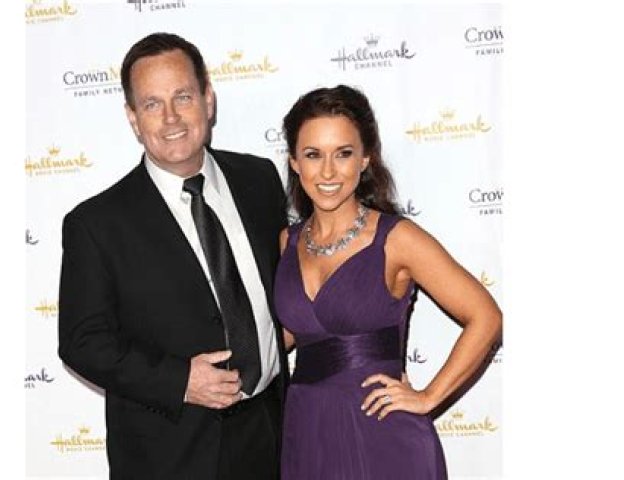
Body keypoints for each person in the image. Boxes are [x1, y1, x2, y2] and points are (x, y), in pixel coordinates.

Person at [57, 32, 289, 480]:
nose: (170, 118)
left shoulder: (259, 180)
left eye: (182, 96)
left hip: (269, 436)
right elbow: (82, 342)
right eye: (152, 104)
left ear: (208, 100)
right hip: (169, 454)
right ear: (132, 118)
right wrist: (179, 380)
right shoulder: (96, 224)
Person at [274, 85, 502, 479]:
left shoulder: (396, 239)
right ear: (295, 162)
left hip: (381, 433)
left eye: (343, 153)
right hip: (307, 430)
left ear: (365, 158)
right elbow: (291, 334)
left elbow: (487, 317)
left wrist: (429, 396)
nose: (327, 172)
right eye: (313, 155)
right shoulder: (288, 242)